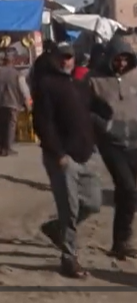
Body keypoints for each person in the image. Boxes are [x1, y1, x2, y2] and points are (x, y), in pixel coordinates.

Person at [33, 42, 105, 278]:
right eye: (62, 57)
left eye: (70, 57)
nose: (66, 61)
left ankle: (56, 228)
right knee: (69, 210)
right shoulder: (46, 85)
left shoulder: (80, 84)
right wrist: (58, 153)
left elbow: (93, 107)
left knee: (93, 202)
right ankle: (69, 259)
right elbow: (43, 124)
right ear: (54, 59)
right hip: (62, 158)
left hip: (86, 154)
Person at [85, 37, 137, 260]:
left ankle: (121, 241)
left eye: (126, 59)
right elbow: (83, 109)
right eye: (118, 59)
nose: (122, 64)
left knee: (129, 194)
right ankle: (121, 241)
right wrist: (102, 125)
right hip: (111, 143)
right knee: (127, 188)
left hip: (135, 140)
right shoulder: (93, 80)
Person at [0, 51, 32, 156]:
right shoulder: (17, 74)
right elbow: (24, 90)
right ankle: (8, 148)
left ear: (3, 61)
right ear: (13, 61)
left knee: (1, 126)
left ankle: (1, 148)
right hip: (12, 103)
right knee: (10, 126)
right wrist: (28, 104)